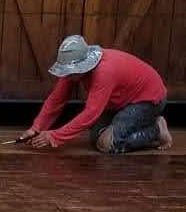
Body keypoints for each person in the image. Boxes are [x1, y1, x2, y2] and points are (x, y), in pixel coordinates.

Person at [23, 35, 172, 154]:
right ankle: (139, 126)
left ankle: (156, 129)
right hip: (122, 102)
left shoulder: (104, 72)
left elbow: (91, 114)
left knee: (107, 144)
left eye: (70, 70)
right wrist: (36, 128)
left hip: (148, 100)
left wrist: (54, 137)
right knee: (96, 137)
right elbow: (56, 99)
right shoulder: (73, 72)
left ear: (84, 65)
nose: (66, 75)